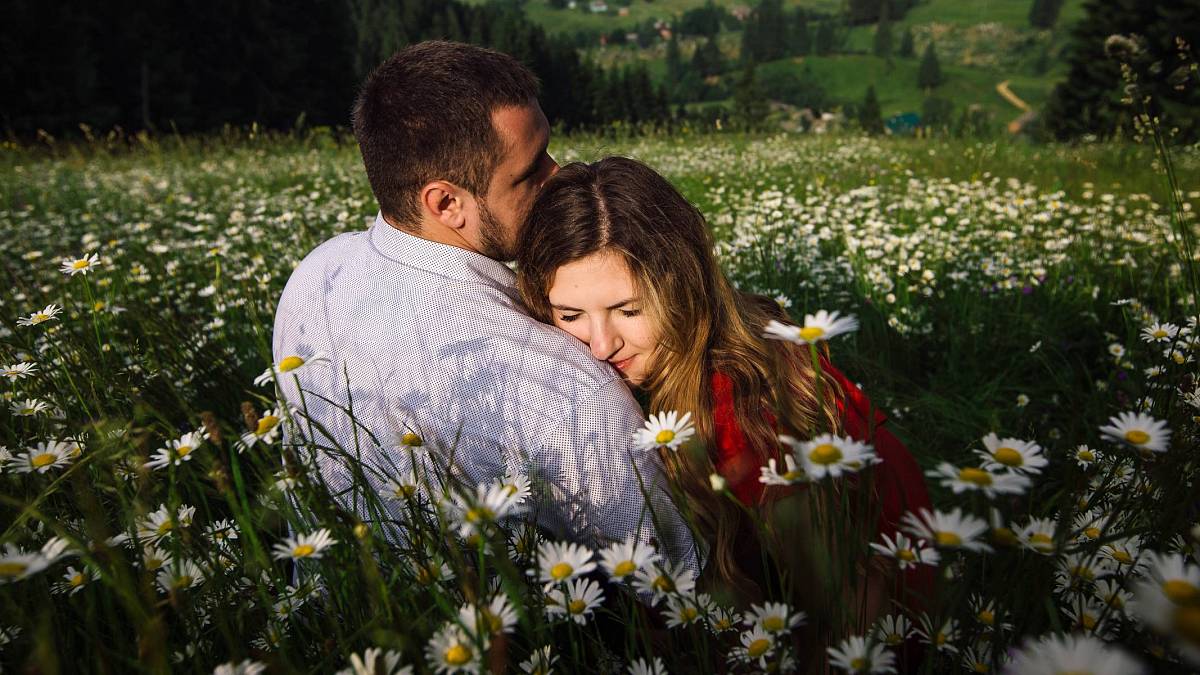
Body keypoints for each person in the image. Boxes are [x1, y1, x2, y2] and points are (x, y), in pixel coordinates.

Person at [270, 42, 698, 576]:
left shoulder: (314, 275)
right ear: (446, 203)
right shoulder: (568, 390)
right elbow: (674, 590)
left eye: (549, 149)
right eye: (528, 172)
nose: (559, 174)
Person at [516, 157, 932, 609]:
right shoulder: (680, 365)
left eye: (629, 310)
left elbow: (849, 596)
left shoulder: (743, 410)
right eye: (570, 315)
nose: (600, 345)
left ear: (682, 286)